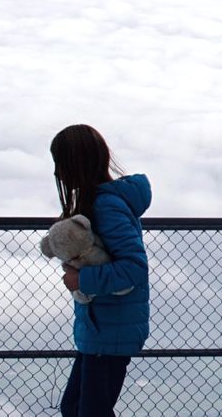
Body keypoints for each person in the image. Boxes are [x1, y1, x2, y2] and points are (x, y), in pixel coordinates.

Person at [50, 123, 152, 417]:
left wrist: (81, 279)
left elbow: (134, 268)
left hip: (110, 331)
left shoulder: (106, 207)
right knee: (75, 408)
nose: (58, 173)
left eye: (61, 164)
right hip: (101, 329)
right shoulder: (98, 203)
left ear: (75, 164)